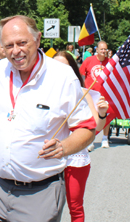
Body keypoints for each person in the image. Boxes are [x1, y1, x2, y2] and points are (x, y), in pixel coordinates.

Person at [0, 15, 96, 222]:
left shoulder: (62, 76)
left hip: (40, 192)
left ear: (37, 40)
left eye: (22, 43)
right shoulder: (0, 70)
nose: (16, 51)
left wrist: (64, 147)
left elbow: (87, 129)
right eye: (9, 45)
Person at [53, 51, 108, 222]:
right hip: (49, 158)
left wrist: (102, 114)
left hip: (75, 159)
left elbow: (96, 127)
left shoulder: (83, 92)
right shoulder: (41, 92)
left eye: (65, 67)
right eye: (55, 67)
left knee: (75, 208)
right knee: (48, 209)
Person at [80, 40, 110, 148]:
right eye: (101, 49)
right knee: (91, 117)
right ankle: (91, 140)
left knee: (105, 116)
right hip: (90, 94)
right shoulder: (89, 60)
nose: (103, 51)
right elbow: (81, 74)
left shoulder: (110, 63)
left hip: (104, 94)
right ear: (96, 50)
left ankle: (105, 139)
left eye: (105, 49)